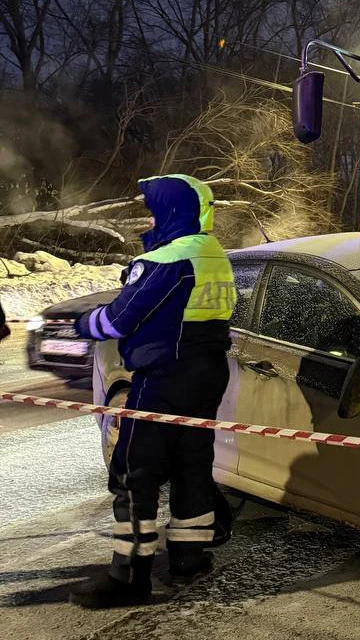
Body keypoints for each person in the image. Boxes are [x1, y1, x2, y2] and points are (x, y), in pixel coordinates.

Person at [69, 174, 237, 609]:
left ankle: (129, 576)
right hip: (207, 373)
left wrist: (80, 323)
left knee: (132, 472)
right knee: (191, 466)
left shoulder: (169, 259)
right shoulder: (212, 252)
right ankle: (189, 558)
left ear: (172, 210)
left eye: (154, 208)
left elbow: (118, 321)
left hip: (162, 377)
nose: (149, 215)